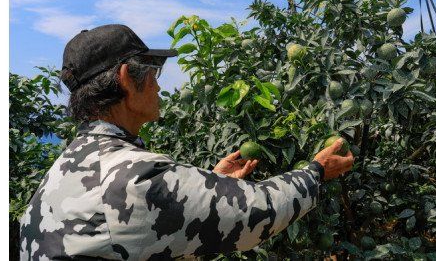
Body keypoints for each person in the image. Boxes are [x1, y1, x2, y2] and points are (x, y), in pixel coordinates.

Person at [19, 24, 354, 260]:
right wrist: (316, 172)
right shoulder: (133, 176)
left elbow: (141, 227)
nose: (159, 87)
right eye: (153, 73)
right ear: (126, 79)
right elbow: (258, 212)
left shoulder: (65, 166)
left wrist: (210, 186)